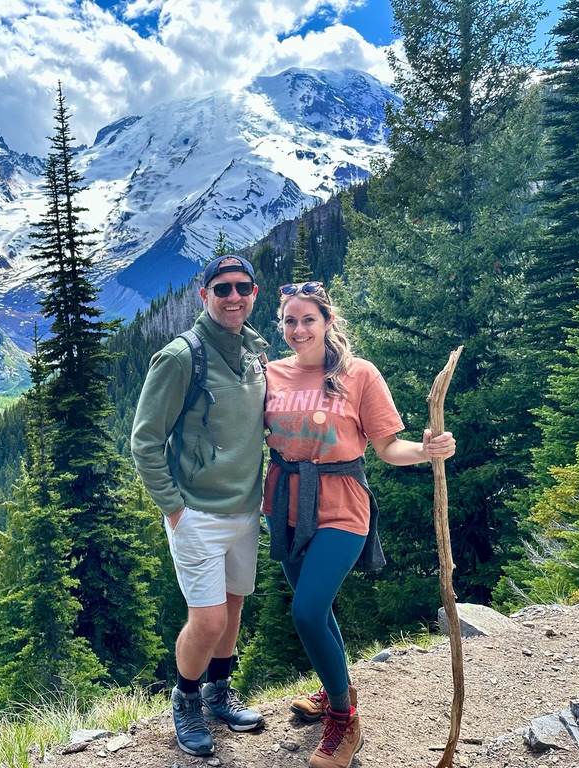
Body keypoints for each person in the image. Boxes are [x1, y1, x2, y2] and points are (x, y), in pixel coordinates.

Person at [262, 281, 456, 768]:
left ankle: (345, 721)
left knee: (306, 612)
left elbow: (389, 448)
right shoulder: (269, 373)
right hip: (283, 502)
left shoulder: (359, 374)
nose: (298, 329)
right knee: (318, 610)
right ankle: (335, 689)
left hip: (342, 504)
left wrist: (426, 450)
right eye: (290, 320)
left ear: (328, 322)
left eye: (308, 319)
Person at [131, 255, 268, 756]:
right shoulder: (180, 356)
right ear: (204, 295)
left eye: (243, 287)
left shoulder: (254, 352)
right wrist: (174, 508)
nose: (234, 297)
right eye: (223, 288)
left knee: (232, 609)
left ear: (254, 293)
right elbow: (145, 442)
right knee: (207, 620)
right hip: (197, 514)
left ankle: (217, 693)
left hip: (245, 510)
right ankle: (185, 699)